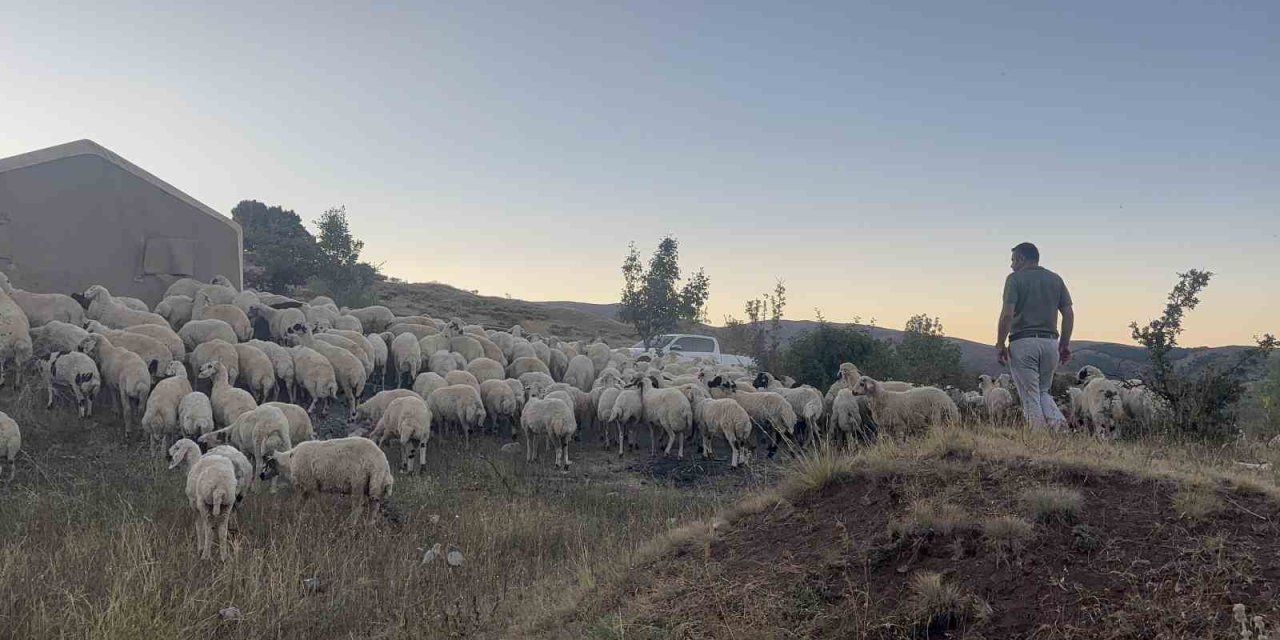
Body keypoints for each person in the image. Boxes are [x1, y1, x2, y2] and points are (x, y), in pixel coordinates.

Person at [995, 242, 1073, 429]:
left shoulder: (1014, 279)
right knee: (1043, 391)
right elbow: (1069, 314)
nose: (1011, 265)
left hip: (1023, 342)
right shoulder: (1055, 279)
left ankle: (1038, 441)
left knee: (1029, 395)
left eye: (1013, 260)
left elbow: (1007, 315)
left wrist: (1000, 343)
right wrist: (1064, 344)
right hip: (1050, 344)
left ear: (1022, 259)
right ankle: (1060, 429)